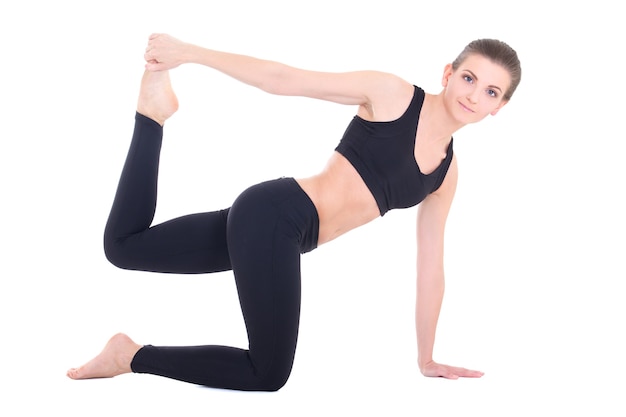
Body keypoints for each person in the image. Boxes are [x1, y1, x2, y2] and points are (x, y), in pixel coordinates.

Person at [67, 33, 521, 391]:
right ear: (449, 73)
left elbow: (431, 267)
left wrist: (427, 357)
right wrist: (190, 52)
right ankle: (131, 357)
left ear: (498, 107)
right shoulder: (394, 94)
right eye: (468, 78)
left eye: (490, 91)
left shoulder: (445, 173)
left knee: (123, 246)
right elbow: (285, 79)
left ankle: (151, 114)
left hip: (279, 230)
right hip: (277, 215)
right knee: (268, 373)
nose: (474, 95)